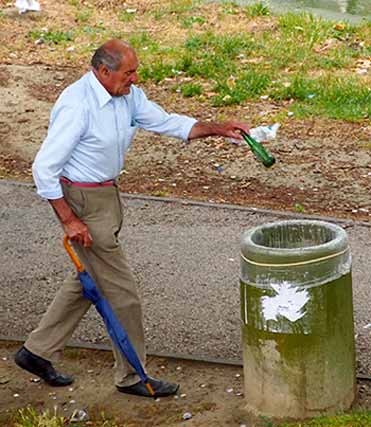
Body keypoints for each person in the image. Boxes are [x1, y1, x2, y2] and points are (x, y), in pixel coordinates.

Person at [14, 39, 249, 398]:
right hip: (82, 201)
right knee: (124, 295)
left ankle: (36, 352)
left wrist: (220, 129)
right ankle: (132, 376)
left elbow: (167, 122)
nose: (135, 78)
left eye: (135, 71)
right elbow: (44, 169)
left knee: (88, 280)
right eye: (129, 72)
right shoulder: (77, 105)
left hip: (106, 196)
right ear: (103, 71)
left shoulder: (128, 96)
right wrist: (69, 221)